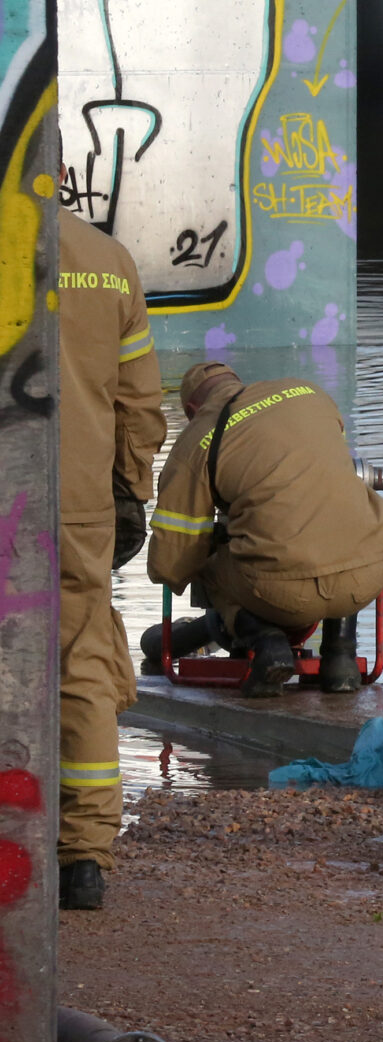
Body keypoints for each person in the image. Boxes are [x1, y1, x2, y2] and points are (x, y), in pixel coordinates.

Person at [144, 362, 383, 698]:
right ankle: (341, 659)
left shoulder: (197, 439)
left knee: (203, 561)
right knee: (338, 529)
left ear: (192, 410)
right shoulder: (310, 395)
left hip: (282, 592)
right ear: (239, 383)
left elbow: (170, 564)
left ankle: (267, 643)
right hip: (370, 575)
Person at [55, 208, 167, 910]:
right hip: (77, 500)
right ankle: (83, 857)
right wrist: (128, 489)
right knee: (82, 659)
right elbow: (141, 400)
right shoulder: (109, 259)